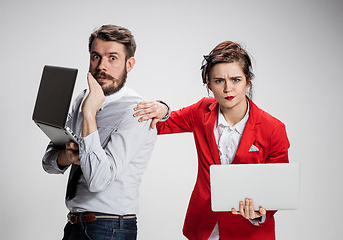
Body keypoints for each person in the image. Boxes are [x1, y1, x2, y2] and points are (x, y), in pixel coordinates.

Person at [134, 41, 290, 240]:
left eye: (235, 80)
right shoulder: (201, 111)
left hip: (248, 231)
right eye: (219, 81)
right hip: (205, 226)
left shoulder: (273, 128)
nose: (228, 89)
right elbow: (161, 123)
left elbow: (277, 187)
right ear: (208, 83)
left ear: (248, 81)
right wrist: (163, 109)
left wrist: (260, 214)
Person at [42, 24, 157, 240]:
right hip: (74, 224)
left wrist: (89, 114)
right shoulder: (81, 99)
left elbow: (98, 181)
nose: (101, 66)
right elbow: (48, 163)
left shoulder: (137, 111)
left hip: (110, 227)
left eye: (112, 58)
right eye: (96, 56)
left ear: (129, 64)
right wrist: (67, 156)